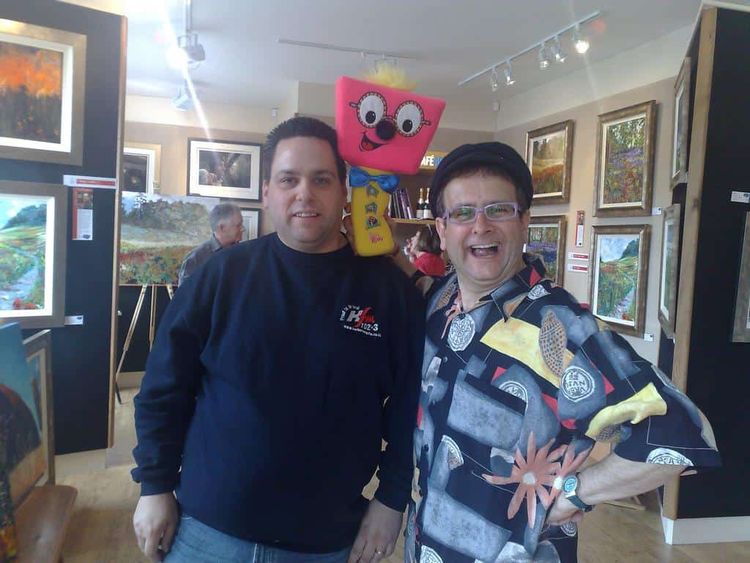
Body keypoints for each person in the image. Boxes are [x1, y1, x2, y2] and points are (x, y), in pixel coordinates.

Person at [394, 142, 721, 563]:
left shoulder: (563, 328)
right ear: (441, 229)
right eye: (463, 213)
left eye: (498, 210)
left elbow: (683, 434)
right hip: (426, 547)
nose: (480, 226)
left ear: (524, 221)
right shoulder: (439, 302)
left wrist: (576, 493)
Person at [131, 116, 424, 563]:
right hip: (206, 530)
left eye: (321, 179)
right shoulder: (220, 276)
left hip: (326, 542)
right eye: (289, 179)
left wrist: (391, 499)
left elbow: (409, 408)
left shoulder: (389, 292)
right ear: (267, 192)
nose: (305, 193)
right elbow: (163, 386)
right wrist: (154, 485)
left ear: (344, 191)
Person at [176, 202, 244, 287]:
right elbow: (186, 294)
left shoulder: (243, 254)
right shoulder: (196, 259)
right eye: (238, 225)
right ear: (222, 227)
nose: (243, 229)